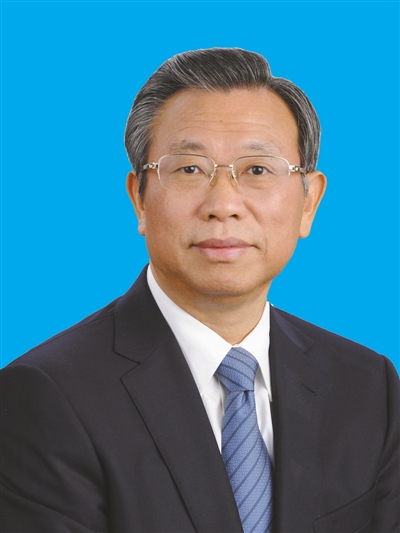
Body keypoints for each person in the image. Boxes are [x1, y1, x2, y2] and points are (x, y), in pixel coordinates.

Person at [1, 48, 399, 533]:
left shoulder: (368, 386)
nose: (223, 204)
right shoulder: (47, 395)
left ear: (308, 202)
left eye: (258, 169)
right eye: (189, 168)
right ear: (139, 199)